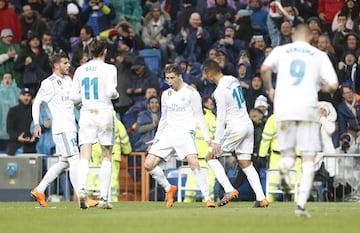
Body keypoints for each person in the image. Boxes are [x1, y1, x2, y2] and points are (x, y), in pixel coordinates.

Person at [260, 24, 339, 217]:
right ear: (311, 37)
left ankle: (284, 166)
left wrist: (270, 90)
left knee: (288, 155)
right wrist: (324, 87)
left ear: (293, 36)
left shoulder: (281, 50)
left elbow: (264, 68)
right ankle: (301, 205)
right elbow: (334, 85)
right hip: (308, 108)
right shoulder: (319, 55)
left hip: (284, 107)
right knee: (308, 157)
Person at [30, 52, 98, 208]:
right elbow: (36, 103)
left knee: (63, 162)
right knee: (75, 160)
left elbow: (74, 100)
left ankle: (39, 190)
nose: (68, 65)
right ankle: (83, 197)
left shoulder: (68, 80)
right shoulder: (49, 83)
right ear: (56, 65)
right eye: (65, 63)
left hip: (71, 127)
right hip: (62, 128)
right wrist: (37, 123)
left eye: (68, 62)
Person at [143, 64, 216, 208]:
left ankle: (207, 198)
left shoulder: (191, 93)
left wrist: (208, 139)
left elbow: (199, 117)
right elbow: (163, 118)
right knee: (148, 165)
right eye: (167, 78)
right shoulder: (165, 94)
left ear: (179, 77)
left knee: (193, 161)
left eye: (172, 78)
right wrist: (157, 138)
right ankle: (169, 188)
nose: (169, 82)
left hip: (185, 132)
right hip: (168, 133)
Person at [202, 59, 268, 208]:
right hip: (247, 124)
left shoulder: (219, 91)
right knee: (245, 163)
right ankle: (261, 198)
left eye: (205, 74)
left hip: (235, 127)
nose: (205, 77)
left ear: (209, 73)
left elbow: (221, 117)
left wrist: (217, 141)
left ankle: (229, 189)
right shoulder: (232, 79)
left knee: (210, 156)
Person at [70, 38, 119, 209]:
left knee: (85, 153)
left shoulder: (80, 70)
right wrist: (115, 95)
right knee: (106, 154)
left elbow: (73, 97)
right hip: (104, 112)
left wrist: (84, 98)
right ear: (105, 51)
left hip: (86, 113)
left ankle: (82, 189)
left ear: (91, 52)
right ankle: (104, 198)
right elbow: (111, 91)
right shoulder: (110, 68)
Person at [6, 87, 36, 155]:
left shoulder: (34, 110)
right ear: (20, 96)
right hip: (15, 144)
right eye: (24, 95)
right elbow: (9, 129)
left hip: (32, 144)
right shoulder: (13, 111)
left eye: (28, 95)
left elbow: (39, 126)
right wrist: (18, 137)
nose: (26, 97)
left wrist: (35, 137)